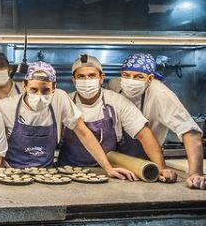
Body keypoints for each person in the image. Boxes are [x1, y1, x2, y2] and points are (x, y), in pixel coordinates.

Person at [0, 61, 136, 180]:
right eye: (34, 90)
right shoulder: (6, 106)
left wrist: (108, 168)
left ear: (54, 88)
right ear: (24, 86)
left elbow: (83, 133)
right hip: (12, 174)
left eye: (45, 90)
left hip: (47, 175)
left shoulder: (60, 98)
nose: (39, 95)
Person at [58, 54, 177, 182]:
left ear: (101, 78)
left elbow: (144, 134)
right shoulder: (65, 102)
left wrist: (161, 168)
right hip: (67, 171)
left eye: (92, 76)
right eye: (81, 77)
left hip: (108, 171)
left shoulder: (117, 101)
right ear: (73, 80)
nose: (87, 80)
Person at [108, 53, 205, 189]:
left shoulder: (160, 94)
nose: (130, 80)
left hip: (148, 162)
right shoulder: (114, 85)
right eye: (126, 75)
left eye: (138, 76)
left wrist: (195, 173)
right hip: (116, 160)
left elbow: (190, 132)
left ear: (150, 79)